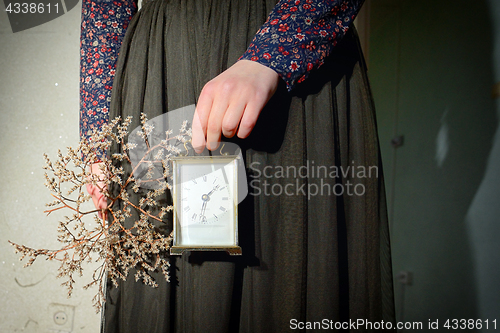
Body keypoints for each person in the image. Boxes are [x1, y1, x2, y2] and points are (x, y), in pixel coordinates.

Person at [81, 0, 395, 331]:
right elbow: (104, 8)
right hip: (163, 64)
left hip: (293, 55)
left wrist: (274, 52)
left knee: (284, 274)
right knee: (159, 286)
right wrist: (99, 145)